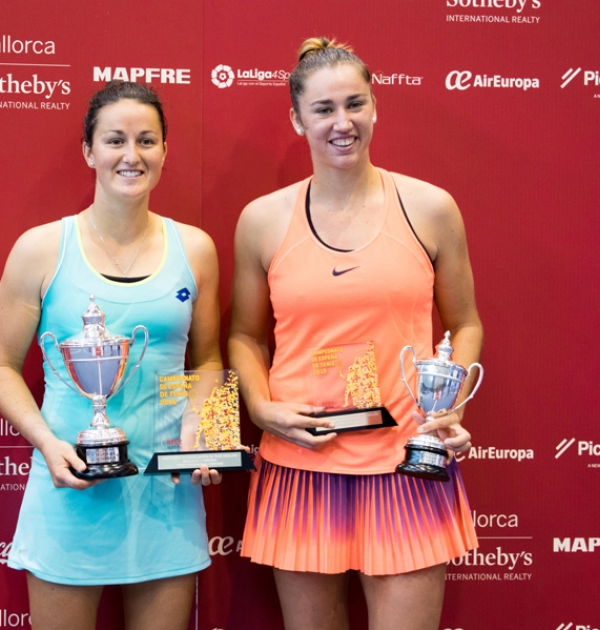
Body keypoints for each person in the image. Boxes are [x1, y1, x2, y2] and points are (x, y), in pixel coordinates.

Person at [228, 37, 483, 630]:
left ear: (375, 107)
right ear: (297, 120)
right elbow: (245, 336)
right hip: (299, 467)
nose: (342, 123)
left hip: (406, 466)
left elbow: (465, 324)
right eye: (323, 109)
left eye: (355, 104)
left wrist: (447, 407)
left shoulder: (430, 207)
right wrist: (262, 409)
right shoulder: (261, 220)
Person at [0, 80, 222, 630]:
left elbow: (208, 361)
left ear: (165, 151)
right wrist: (46, 444)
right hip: (68, 491)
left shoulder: (197, 249)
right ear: (89, 151)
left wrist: (202, 429)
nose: (131, 155)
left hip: (166, 492)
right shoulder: (40, 249)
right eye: (115, 140)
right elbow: (1, 365)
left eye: (147, 140)